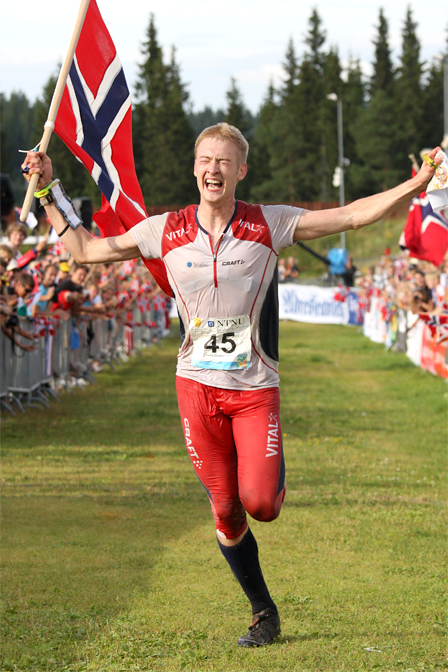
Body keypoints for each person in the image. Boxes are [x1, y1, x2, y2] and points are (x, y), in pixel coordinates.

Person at [21, 126, 441, 647]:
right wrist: (47, 191)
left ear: (242, 170)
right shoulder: (162, 230)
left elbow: (353, 214)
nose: (213, 169)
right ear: (194, 167)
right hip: (195, 387)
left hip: (254, 387)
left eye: (225, 161)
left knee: (261, 503)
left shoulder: (269, 223)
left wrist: (416, 182)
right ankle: (264, 611)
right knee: (225, 510)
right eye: (205, 160)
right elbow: (84, 251)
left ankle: (266, 474)